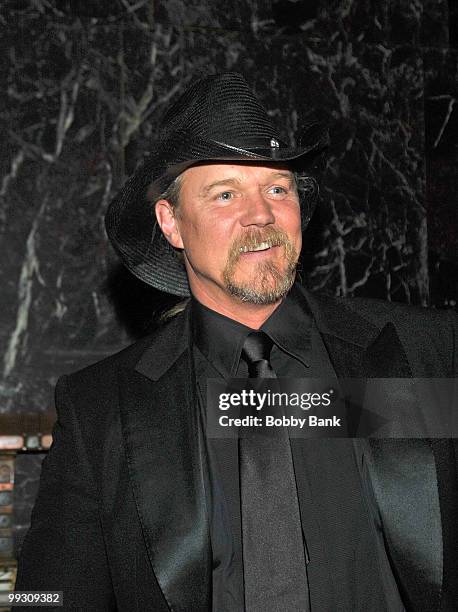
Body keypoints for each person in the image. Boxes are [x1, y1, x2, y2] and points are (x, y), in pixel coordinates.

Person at [15, 73, 457, 611]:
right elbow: (45, 596)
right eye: (226, 193)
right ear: (171, 223)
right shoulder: (102, 408)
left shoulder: (426, 353)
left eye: (277, 188)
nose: (261, 214)